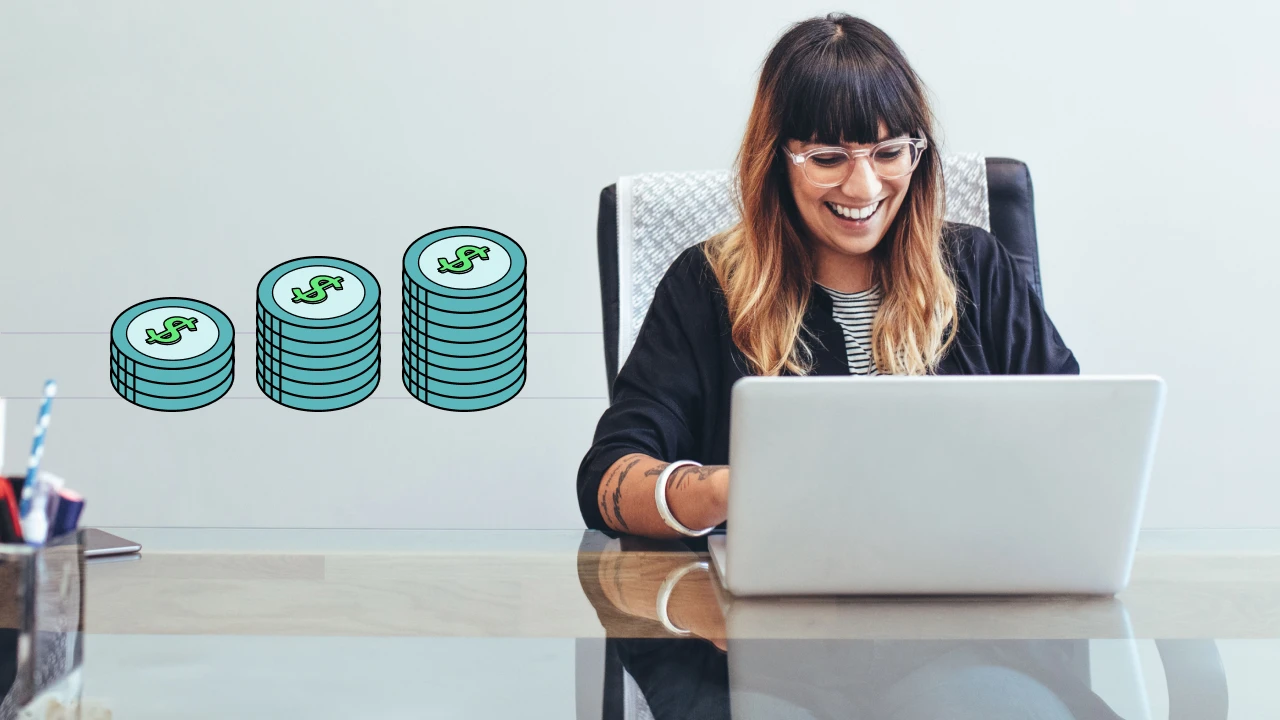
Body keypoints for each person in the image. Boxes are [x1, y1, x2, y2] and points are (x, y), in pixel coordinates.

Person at [577, 13, 1079, 539]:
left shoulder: (977, 266)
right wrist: (728, 491)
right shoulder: (706, 286)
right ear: (775, 161)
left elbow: (1076, 438)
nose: (863, 188)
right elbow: (606, 478)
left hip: (967, 595)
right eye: (827, 157)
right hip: (772, 612)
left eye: (889, 153)